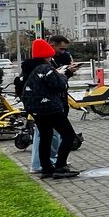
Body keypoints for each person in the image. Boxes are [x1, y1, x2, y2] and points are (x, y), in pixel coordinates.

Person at [23, 38, 79, 179]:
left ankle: (46, 167)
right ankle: (60, 166)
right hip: (49, 107)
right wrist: (66, 74)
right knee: (69, 135)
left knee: (45, 137)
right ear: (48, 54)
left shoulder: (32, 68)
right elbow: (59, 85)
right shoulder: (46, 68)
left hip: (35, 108)